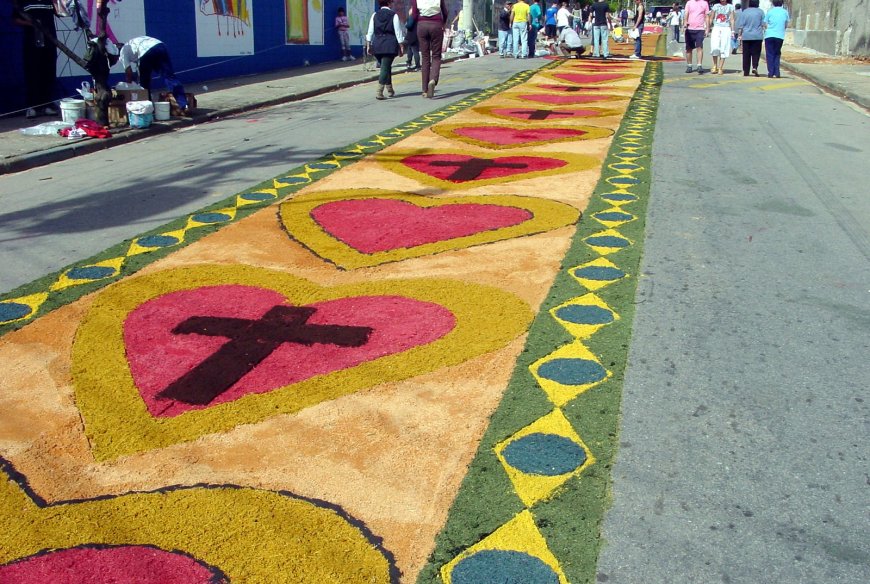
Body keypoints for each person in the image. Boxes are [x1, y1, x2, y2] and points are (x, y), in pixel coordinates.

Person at [118, 36, 189, 113]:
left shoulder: (122, 52)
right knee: (169, 77)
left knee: (144, 84)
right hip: (160, 46)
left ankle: (148, 108)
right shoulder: (132, 43)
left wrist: (129, 85)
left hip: (146, 52)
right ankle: (184, 104)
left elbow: (128, 72)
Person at [13, 0, 59, 119]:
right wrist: (30, 23)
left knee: (48, 72)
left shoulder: (49, 1)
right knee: (33, 73)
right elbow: (15, 19)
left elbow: (60, 12)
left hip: (49, 41)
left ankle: (47, 105)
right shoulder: (24, 2)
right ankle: (32, 106)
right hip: (32, 43)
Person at [366, 0, 404, 100]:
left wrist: (368, 44)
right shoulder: (393, 15)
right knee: (385, 68)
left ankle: (390, 89)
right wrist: (401, 45)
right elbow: (398, 31)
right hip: (389, 45)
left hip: (377, 44)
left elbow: (370, 31)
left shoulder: (374, 15)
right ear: (389, 3)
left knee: (386, 67)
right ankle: (379, 91)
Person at [412, 0, 447, 98]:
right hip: (436, 25)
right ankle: (433, 80)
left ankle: (425, 90)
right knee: (436, 56)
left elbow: (414, 13)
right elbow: (445, 12)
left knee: (425, 57)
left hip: (422, 25)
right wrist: (443, 23)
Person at [736, 0, 763, 76]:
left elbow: (741, 26)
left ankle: (746, 71)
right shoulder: (760, 12)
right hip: (757, 36)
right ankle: (754, 67)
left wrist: (739, 36)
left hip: (746, 36)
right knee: (756, 53)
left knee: (746, 54)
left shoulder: (744, 12)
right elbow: (763, 24)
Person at [683, 0, 710, 74]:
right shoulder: (689, 2)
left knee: (699, 47)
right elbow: (686, 14)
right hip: (689, 29)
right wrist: (685, 23)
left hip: (700, 29)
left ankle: (699, 65)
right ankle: (689, 66)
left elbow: (707, 17)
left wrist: (707, 29)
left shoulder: (704, 3)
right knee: (689, 48)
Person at [708, 0, 735, 75]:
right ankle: (714, 65)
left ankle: (720, 67)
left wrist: (733, 31)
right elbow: (711, 18)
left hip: (726, 28)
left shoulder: (730, 7)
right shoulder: (716, 6)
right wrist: (708, 28)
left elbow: (732, 19)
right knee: (714, 46)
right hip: (716, 27)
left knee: (724, 47)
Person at [762, 0, 788, 78]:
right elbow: (786, 24)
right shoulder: (785, 12)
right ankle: (777, 72)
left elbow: (765, 23)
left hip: (769, 35)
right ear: (782, 3)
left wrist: (767, 29)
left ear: (773, 3)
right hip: (780, 35)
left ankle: (771, 72)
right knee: (777, 53)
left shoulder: (770, 11)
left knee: (769, 54)